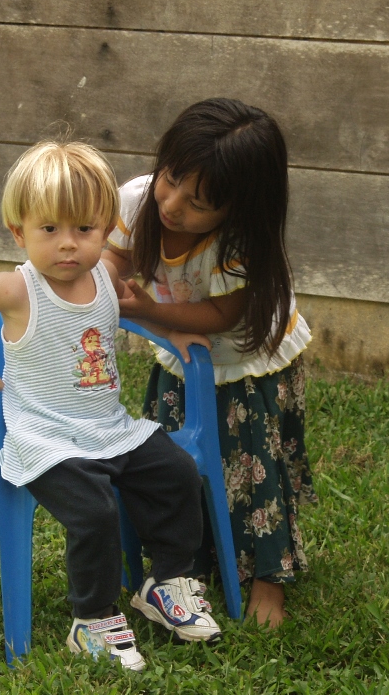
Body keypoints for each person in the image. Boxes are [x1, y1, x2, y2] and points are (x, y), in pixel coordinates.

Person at [0, 141, 221, 672]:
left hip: (107, 428)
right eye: (49, 229)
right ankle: (92, 619)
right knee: (95, 511)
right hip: (45, 438)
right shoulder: (16, 290)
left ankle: (165, 581)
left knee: (178, 472)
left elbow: (129, 309)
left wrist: (171, 330)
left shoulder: (104, 278)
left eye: (84, 229)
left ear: (107, 229)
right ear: (19, 232)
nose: (68, 244)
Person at [104, 98, 318, 630]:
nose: (172, 204)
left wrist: (148, 311)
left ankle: (268, 578)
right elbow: (115, 256)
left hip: (248, 364)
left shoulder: (238, 242)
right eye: (171, 178)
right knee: (176, 460)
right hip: (184, 358)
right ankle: (191, 563)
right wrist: (104, 280)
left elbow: (222, 315)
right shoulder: (136, 200)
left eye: (197, 202)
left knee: (253, 469)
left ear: (238, 209)